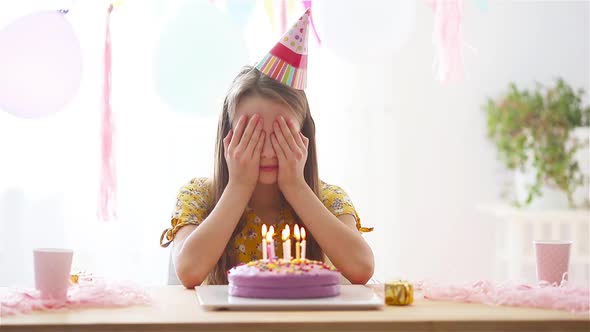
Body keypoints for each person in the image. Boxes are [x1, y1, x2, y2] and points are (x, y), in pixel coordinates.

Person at [159, 9, 374, 288]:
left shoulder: (328, 199)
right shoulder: (200, 196)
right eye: (253, 135)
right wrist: (239, 185)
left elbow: (362, 268)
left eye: (282, 135)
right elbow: (188, 271)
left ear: (303, 136)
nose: (269, 151)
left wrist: (296, 186)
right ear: (228, 137)